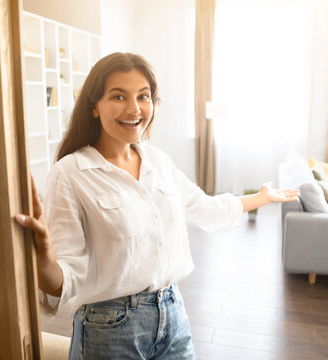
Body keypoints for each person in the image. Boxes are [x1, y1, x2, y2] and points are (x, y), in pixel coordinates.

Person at [15, 52, 299, 359]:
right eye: (118, 96)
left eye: (144, 96)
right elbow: (63, 281)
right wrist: (43, 256)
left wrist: (262, 197)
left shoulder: (157, 162)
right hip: (110, 328)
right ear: (95, 106)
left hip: (173, 314)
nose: (134, 109)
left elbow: (205, 207)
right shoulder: (71, 173)